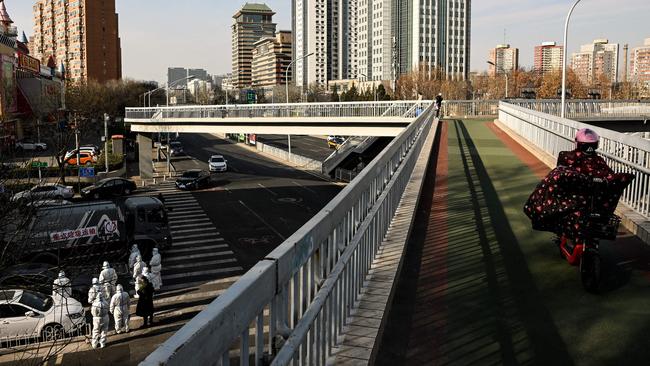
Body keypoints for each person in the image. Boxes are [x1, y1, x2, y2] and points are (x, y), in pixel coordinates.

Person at [524, 128, 635, 241]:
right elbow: (609, 176)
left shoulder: (566, 156)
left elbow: (560, 172)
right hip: (593, 201)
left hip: (571, 200)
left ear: (577, 143)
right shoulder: (598, 161)